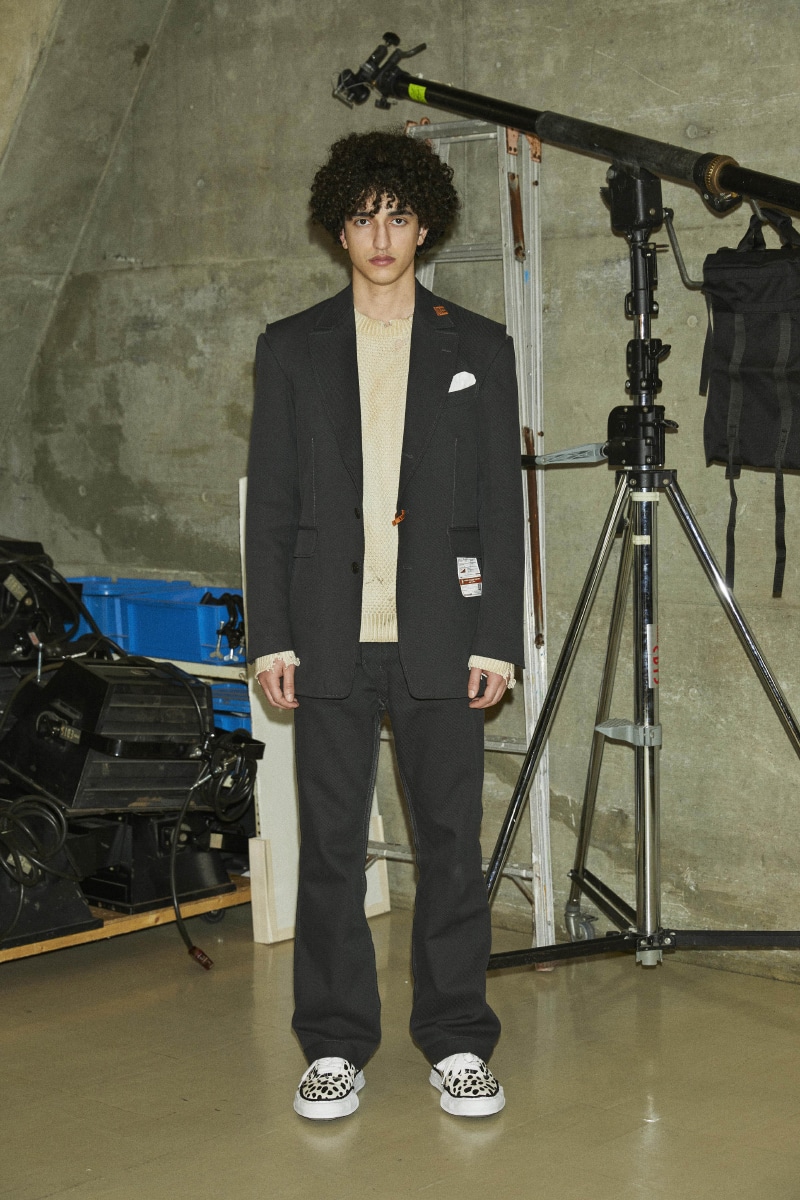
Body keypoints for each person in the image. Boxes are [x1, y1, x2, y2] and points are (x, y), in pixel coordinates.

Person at [245, 130, 524, 1120]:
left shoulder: (477, 345)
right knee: (330, 849)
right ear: (337, 227)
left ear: (424, 224)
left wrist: (497, 637)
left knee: (449, 844)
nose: (379, 235)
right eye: (362, 217)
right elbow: (271, 505)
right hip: (325, 635)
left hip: (443, 635)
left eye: (397, 216)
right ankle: (332, 1044)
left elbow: (501, 506)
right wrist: (270, 636)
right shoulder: (290, 347)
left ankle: (457, 1038)